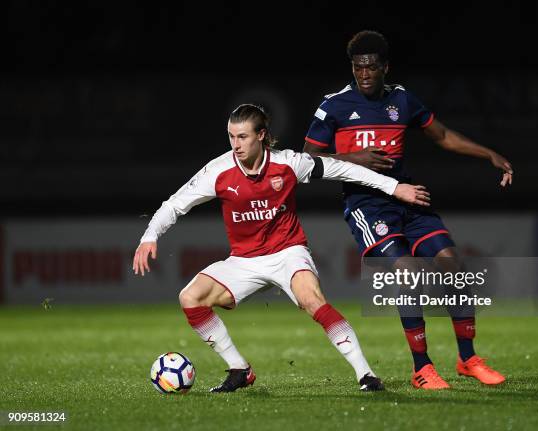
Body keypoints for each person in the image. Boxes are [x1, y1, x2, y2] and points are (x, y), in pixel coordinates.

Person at [133, 103, 431, 393]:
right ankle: (240, 370)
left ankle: (366, 374)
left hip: (288, 253)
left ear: (261, 135)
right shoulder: (218, 171)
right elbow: (175, 204)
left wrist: (394, 187)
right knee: (190, 298)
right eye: (231, 136)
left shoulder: (289, 163)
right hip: (244, 261)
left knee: (312, 301)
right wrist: (150, 236)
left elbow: (342, 169)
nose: (235, 144)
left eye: (243, 137)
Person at [303, 30, 512, 389]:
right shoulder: (334, 106)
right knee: (406, 271)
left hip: (407, 198)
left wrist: (489, 154)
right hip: (366, 206)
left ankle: (468, 358)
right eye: (358, 68)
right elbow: (306, 160)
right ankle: (422, 367)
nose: (364, 74)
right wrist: (355, 159)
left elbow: (443, 136)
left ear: (386, 67)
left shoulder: (402, 100)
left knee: (452, 262)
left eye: (371, 67)